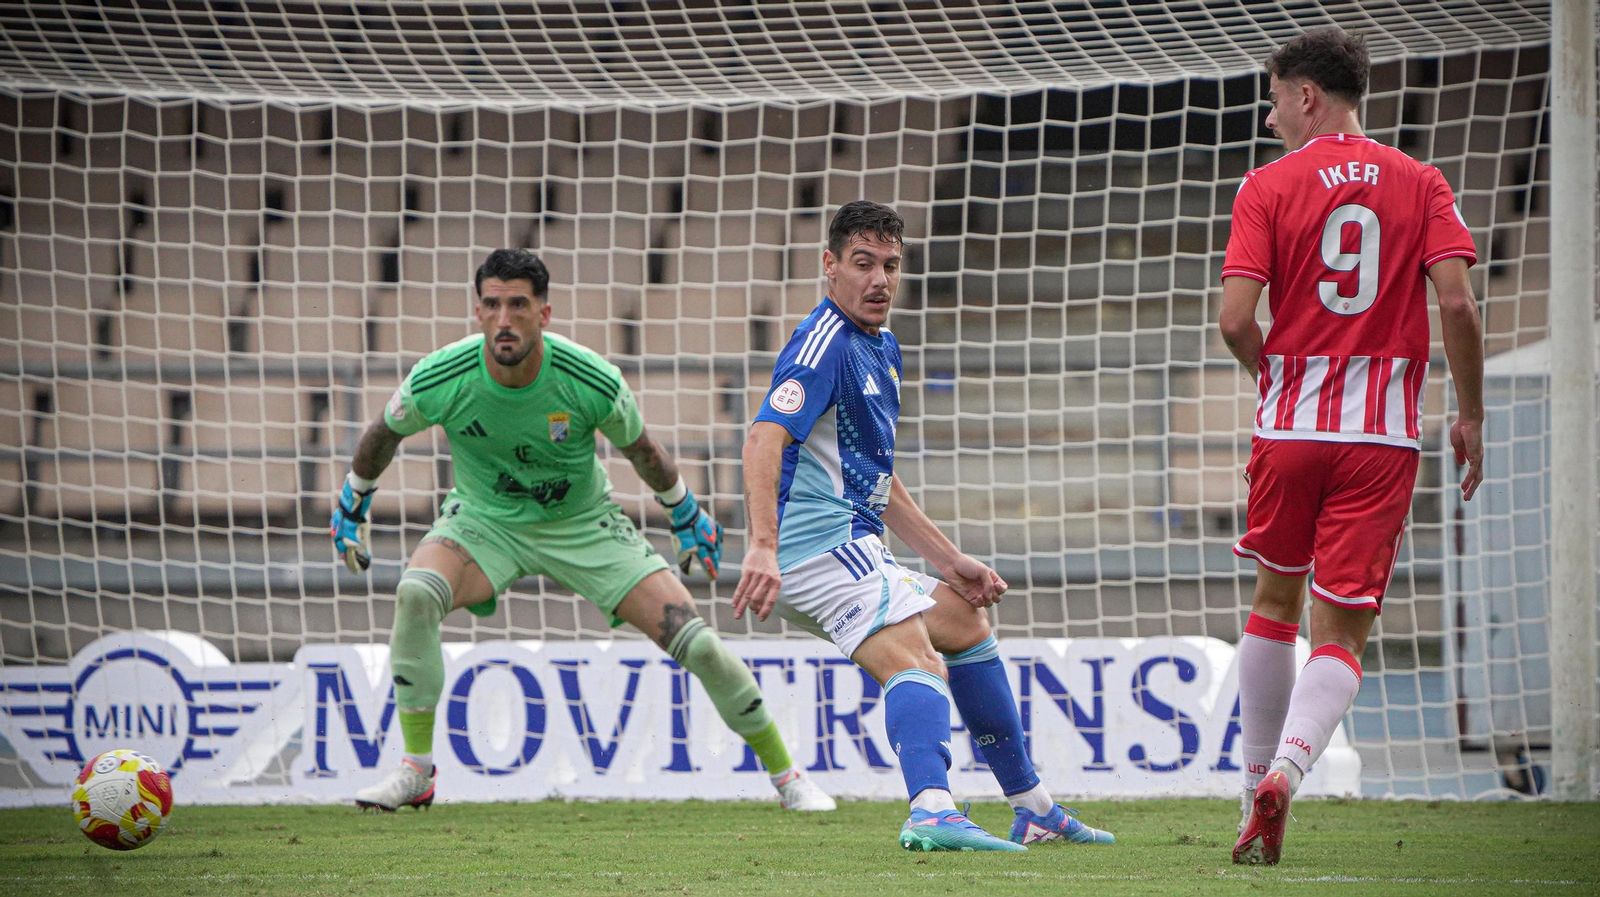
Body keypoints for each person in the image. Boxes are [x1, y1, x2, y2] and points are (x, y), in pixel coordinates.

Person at [330, 248, 834, 813]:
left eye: (518, 305)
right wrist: (354, 499)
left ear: (543, 313)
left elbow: (644, 451)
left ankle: (789, 777)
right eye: (492, 305)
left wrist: (684, 512)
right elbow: (383, 432)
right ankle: (415, 771)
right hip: (484, 522)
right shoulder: (442, 375)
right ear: (477, 313)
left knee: (699, 643)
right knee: (416, 592)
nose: (504, 319)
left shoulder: (588, 378)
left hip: (585, 525)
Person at [733, 200, 1115, 852]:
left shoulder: (880, 346)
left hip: (851, 540)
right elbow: (764, 437)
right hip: (815, 546)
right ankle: (933, 808)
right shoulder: (823, 343)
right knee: (918, 660)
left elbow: (878, 481)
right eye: (862, 264)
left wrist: (946, 558)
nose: (879, 279)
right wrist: (763, 546)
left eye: (890, 264)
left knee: (963, 621)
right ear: (830, 266)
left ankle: (1034, 806)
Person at [1218, 27, 1484, 865]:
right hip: (1380, 437)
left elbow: (1232, 319)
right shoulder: (1423, 182)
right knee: (1342, 631)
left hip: (1291, 429)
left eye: (1273, 99)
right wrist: (1469, 412)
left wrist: (1278, 375)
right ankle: (1290, 776)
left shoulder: (1267, 185)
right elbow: (1460, 306)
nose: (1268, 119)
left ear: (1306, 96)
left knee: (1273, 603)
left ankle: (1253, 782)